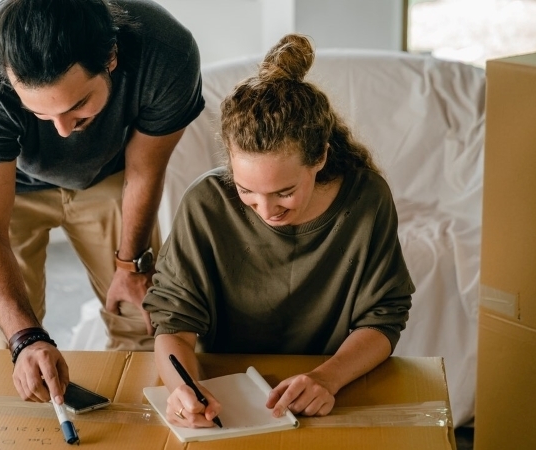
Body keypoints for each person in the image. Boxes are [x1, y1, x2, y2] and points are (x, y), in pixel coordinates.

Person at [143, 33, 414, 428]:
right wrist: (181, 389)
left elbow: (383, 318)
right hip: (223, 395)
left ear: (320, 155)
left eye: (284, 192)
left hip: (327, 391)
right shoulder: (205, 203)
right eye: (246, 191)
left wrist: (327, 377)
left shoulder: (366, 199)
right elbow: (174, 325)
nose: (266, 211)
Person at [0, 0, 204, 405]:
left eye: (77, 105)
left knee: (142, 320)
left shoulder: (167, 51)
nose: (63, 131)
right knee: (10, 346)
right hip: (3, 180)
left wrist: (129, 264)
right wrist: (27, 339)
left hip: (109, 171)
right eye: (40, 113)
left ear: (111, 58)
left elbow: (145, 170)